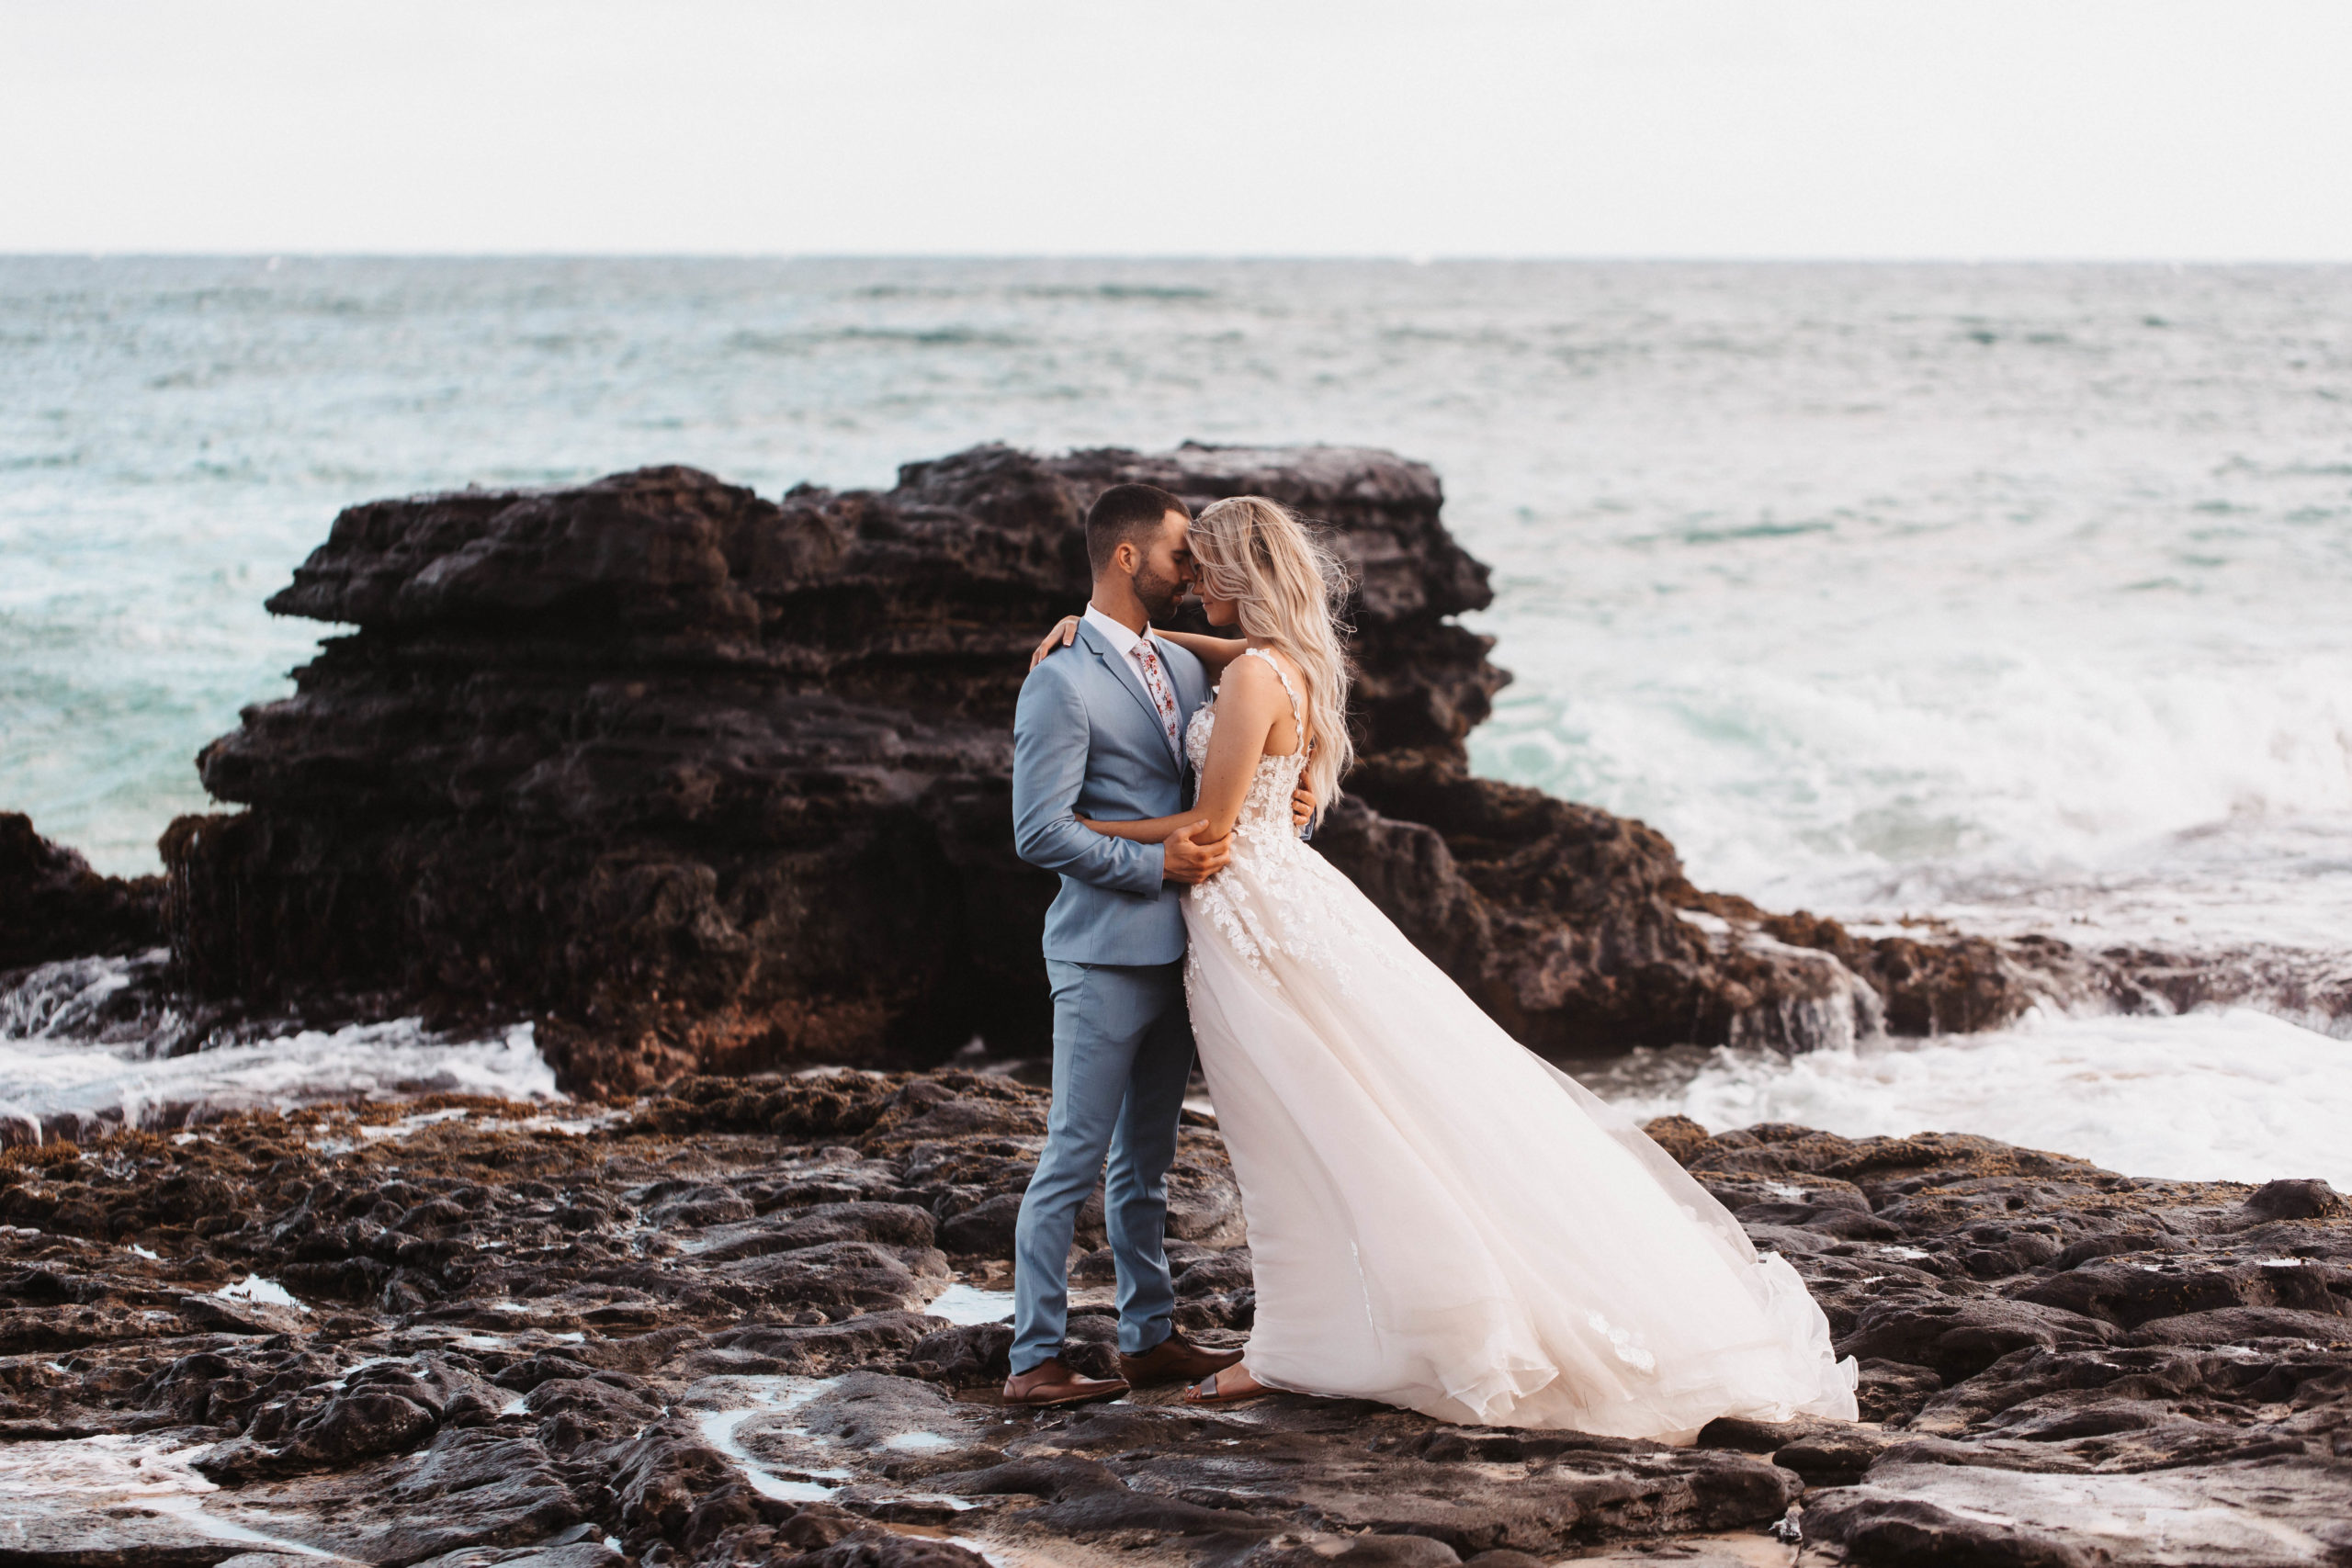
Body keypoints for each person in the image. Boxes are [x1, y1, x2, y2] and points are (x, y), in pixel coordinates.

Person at [1029, 495, 1859, 1440]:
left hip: (1243, 915)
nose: (1188, 582)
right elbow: (1223, 663)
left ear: (1236, 576)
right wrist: (1098, 634)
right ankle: (1318, 1334)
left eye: (1202, 568)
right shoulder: (1286, 664)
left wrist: (1087, 831)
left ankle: (1300, 1348)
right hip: (1274, 904)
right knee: (1329, 1122)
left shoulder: (1258, 675)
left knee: (1293, 1137)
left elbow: (1210, 831)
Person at [1002, 482, 1311, 1407]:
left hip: (1184, 950)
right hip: (1100, 950)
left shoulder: (1182, 670)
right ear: (1127, 556)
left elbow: (1240, 758)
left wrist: (1281, 803)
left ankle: (1148, 1334)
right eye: (1182, 553)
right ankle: (1034, 1359)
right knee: (1072, 1155)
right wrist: (1155, 868)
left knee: (1148, 1161)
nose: (1194, 571)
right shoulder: (1058, 681)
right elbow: (1038, 831)